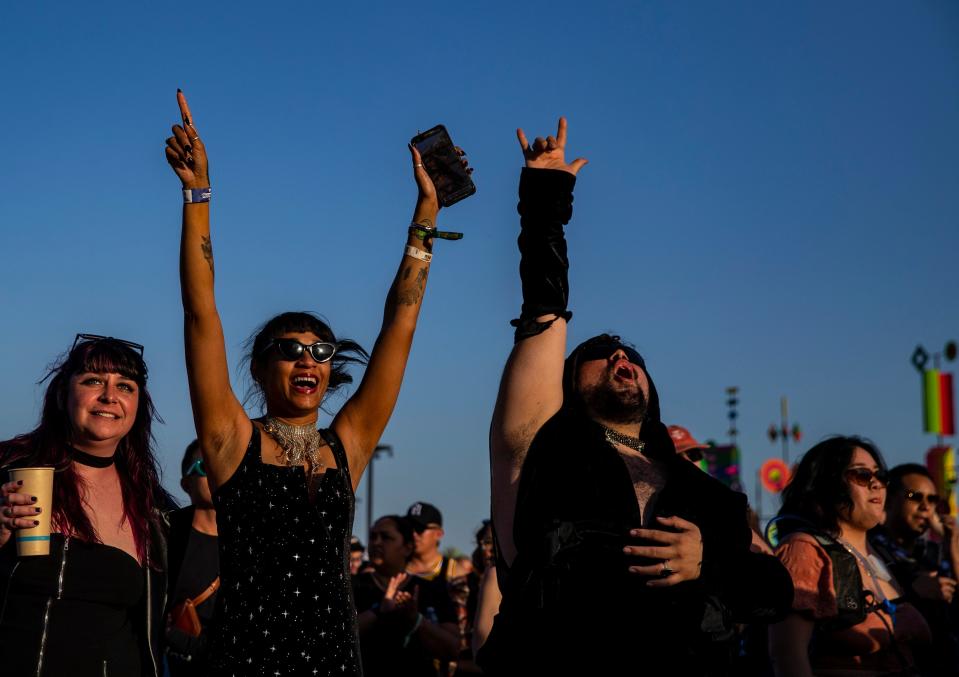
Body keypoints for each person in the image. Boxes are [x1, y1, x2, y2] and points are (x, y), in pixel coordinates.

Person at [164, 90, 467, 675]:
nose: (308, 361)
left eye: (320, 352)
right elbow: (201, 311)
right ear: (257, 367)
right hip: (242, 660)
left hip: (332, 660)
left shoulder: (346, 443)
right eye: (290, 351)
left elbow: (399, 326)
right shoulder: (230, 440)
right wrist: (196, 194)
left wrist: (426, 216)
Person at [481, 118, 793, 675]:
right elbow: (544, 313)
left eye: (634, 359)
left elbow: (773, 589)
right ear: (568, 382)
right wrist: (546, 200)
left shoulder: (708, 492)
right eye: (602, 353)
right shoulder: (540, 446)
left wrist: (709, 561)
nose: (622, 359)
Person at [0, 335, 171, 676]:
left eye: (125, 386)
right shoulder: (9, 470)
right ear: (63, 395)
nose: (109, 396)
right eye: (93, 381)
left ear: (138, 406)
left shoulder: (155, 511)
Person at [768, 437, 932, 676]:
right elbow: (788, 657)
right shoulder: (804, 550)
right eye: (862, 475)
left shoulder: (881, 554)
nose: (876, 484)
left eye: (880, 476)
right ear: (827, 485)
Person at [869, 463, 959, 674]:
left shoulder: (936, 552)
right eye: (914, 496)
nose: (926, 506)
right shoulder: (868, 550)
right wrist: (912, 592)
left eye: (932, 499)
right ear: (888, 500)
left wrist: (953, 548)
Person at [352, 515, 459, 676]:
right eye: (373, 537)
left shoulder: (431, 590)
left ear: (408, 547)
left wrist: (416, 621)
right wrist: (379, 611)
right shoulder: (351, 587)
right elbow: (335, 637)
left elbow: (452, 649)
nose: (376, 543)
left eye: (386, 537)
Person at [165, 439, 220, 676]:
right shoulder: (163, 536)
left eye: (221, 464)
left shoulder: (251, 544)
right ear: (186, 484)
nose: (216, 472)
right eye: (204, 467)